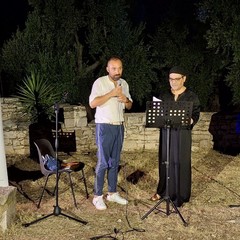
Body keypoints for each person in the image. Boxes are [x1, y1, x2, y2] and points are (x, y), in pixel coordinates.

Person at [151, 66, 200, 207]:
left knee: (181, 161)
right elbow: (158, 114)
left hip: (182, 134)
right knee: (165, 161)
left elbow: (196, 113)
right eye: (170, 79)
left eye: (176, 79)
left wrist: (191, 120)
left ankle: (181, 194)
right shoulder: (164, 96)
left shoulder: (191, 96)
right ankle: (163, 191)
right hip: (167, 133)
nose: (173, 82)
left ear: (184, 79)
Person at [89, 56, 133, 210]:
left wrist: (125, 99)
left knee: (115, 162)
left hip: (119, 126)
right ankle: (97, 196)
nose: (117, 71)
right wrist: (112, 93)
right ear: (108, 69)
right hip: (104, 126)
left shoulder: (124, 83)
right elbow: (93, 103)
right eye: (114, 68)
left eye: (120, 68)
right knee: (103, 162)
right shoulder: (100, 82)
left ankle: (112, 193)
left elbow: (129, 106)